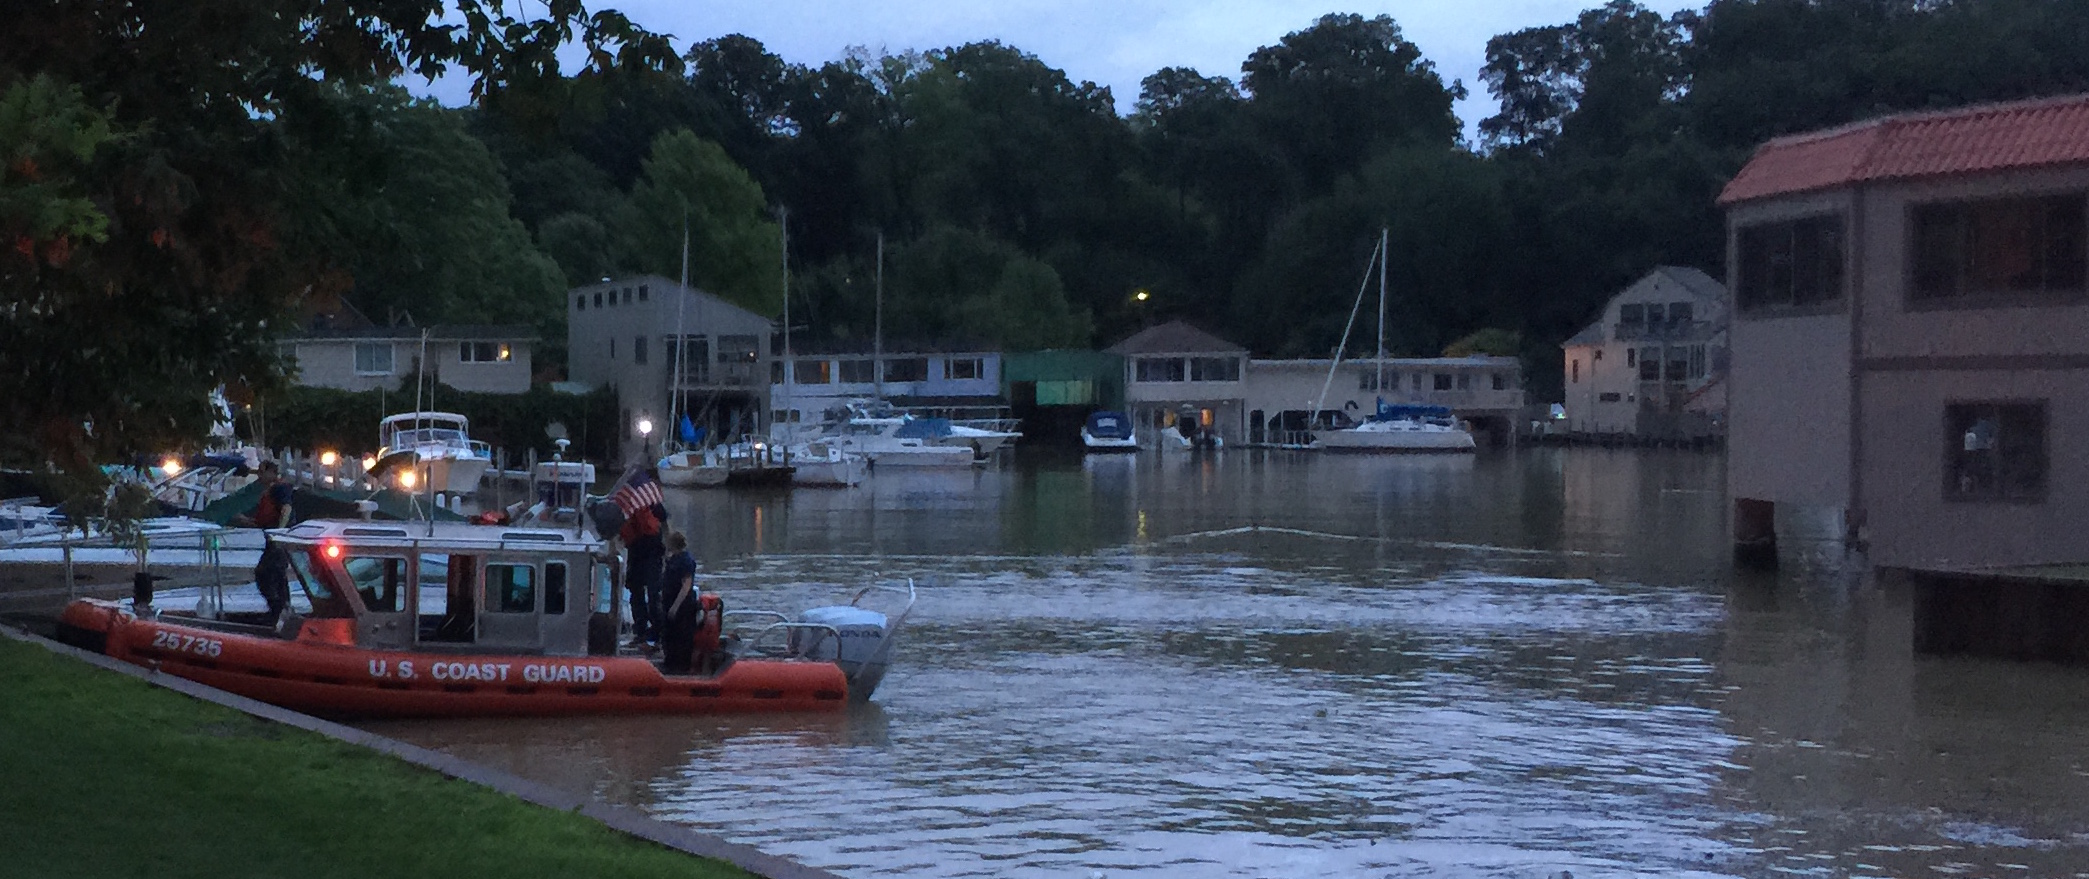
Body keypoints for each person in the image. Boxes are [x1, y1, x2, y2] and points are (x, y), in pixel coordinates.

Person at [231, 460, 294, 621]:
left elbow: (286, 508)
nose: (258, 475)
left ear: (271, 473)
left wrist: (279, 533)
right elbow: (264, 521)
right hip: (272, 539)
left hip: (278, 540)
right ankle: (280, 611)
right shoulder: (268, 492)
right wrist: (245, 520)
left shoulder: (279, 488)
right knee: (277, 575)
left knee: (265, 573)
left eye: (261, 472)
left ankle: (279, 609)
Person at [618, 502, 667, 648]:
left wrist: (669, 549)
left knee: (653, 595)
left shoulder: (652, 503)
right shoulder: (625, 505)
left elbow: (664, 523)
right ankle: (641, 632)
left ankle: (658, 634)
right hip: (635, 551)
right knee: (636, 594)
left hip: (653, 553)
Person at [657, 531, 706, 674]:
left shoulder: (685, 561)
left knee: (681, 636)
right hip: (669, 602)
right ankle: (670, 662)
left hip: (682, 606)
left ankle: (681, 666)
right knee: (668, 634)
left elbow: (686, 586)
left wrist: (675, 606)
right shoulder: (674, 559)